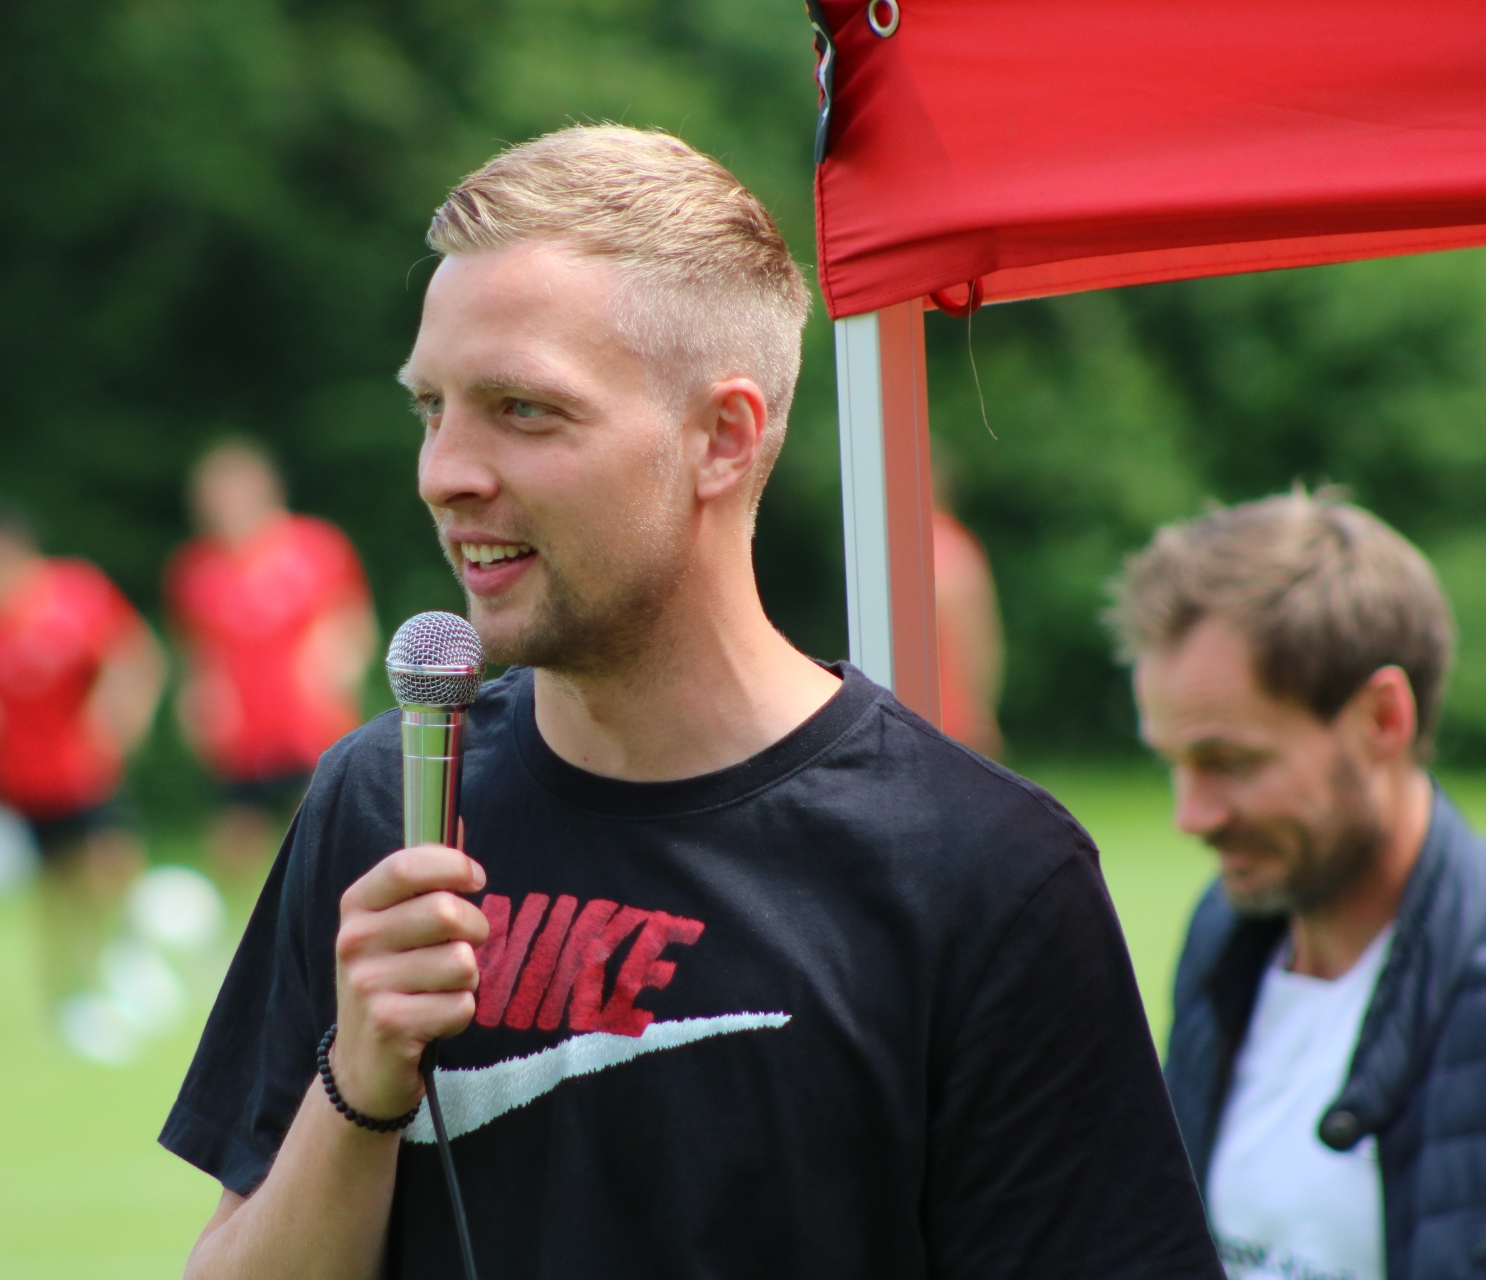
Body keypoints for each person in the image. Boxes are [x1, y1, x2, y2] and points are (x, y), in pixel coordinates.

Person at [160, 126, 1220, 1280]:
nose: (444, 471)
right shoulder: (381, 806)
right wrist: (357, 1084)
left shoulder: (983, 872)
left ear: (722, 438)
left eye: (522, 408)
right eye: (432, 407)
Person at [1113, 488, 1486, 1280]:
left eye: (1232, 763)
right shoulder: (1226, 937)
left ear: (1382, 719)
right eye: (1172, 764)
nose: (1191, 816)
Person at [0, 510, 171, 1060]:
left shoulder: (75, 594)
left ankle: (129, 959)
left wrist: (122, 715)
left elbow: (134, 656)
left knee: (113, 862)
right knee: (54, 888)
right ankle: (67, 993)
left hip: (83, 768)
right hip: (21, 780)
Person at [166, 441, 376, 876]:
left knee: (322, 847)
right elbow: (196, 655)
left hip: (311, 724)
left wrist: (339, 667)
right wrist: (198, 699)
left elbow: (356, 627)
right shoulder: (196, 569)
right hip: (240, 734)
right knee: (237, 854)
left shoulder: (317, 547)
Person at [934, 505, 1005, 758]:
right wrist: (980, 714)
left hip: (940, 719)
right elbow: (978, 641)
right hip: (951, 720)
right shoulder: (950, 543)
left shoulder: (929, 541)